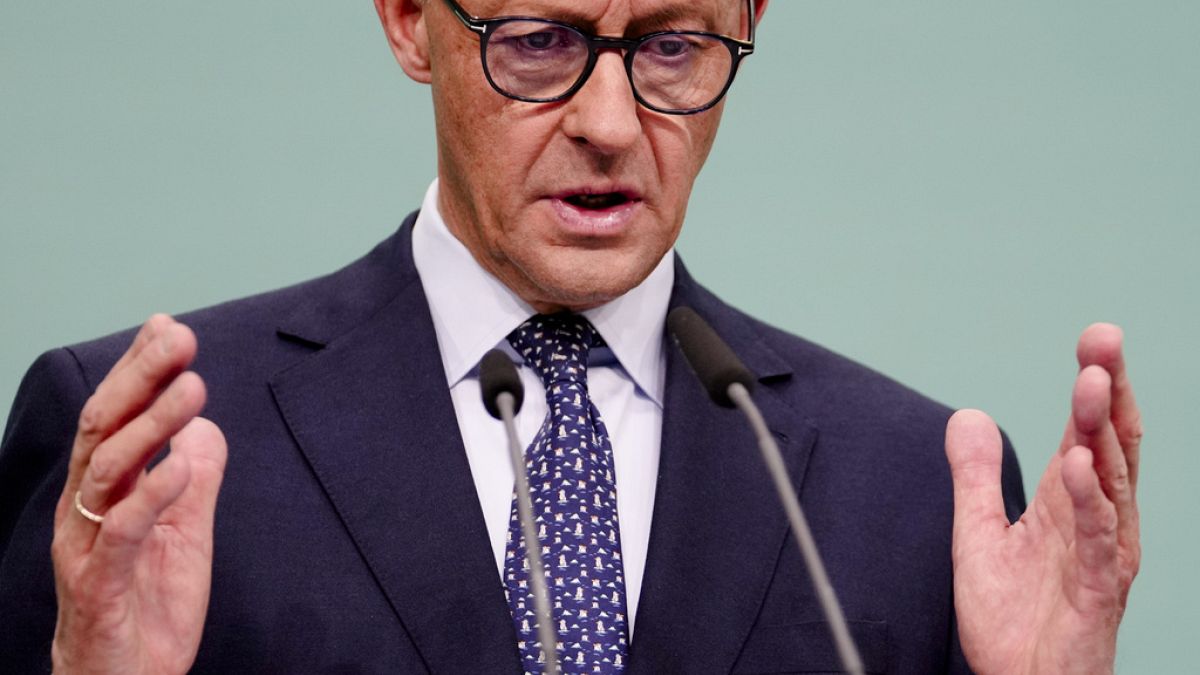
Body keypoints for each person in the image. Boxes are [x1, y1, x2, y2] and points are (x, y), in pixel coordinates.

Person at [0, 0, 1141, 672]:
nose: (608, 124)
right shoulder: (152, 450)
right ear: (410, 20)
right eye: (541, 40)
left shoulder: (912, 487)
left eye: (671, 45)